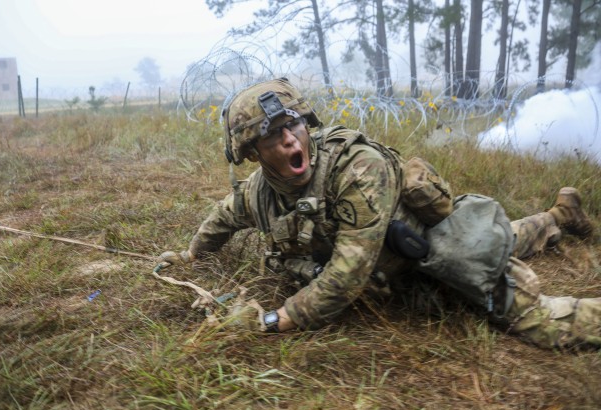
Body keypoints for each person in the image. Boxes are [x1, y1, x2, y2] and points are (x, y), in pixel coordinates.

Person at [159, 78, 600, 349]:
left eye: (293, 126)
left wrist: (273, 319)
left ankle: (561, 226)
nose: (292, 142)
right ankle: (562, 215)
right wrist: (192, 256)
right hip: (394, 278)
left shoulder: (357, 167)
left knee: (534, 319)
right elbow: (222, 218)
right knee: (511, 234)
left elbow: (347, 274)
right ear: (252, 152)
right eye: (273, 136)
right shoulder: (260, 193)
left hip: (432, 254)